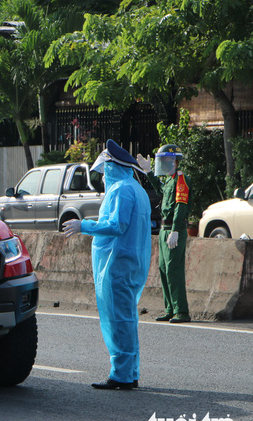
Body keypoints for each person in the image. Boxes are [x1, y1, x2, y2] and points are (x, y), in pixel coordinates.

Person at [63, 140, 152, 390]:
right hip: (130, 263)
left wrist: (84, 225)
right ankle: (130, 372)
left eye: (105, 170)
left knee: (118, 320)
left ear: (113, 167)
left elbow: (117, 225)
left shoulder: (122, 190)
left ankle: (121, 375)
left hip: (117, 264)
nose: (103, 177)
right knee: (127, 319)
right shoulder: (136, 188)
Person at [137, 145, 191, 323]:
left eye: (166, 161)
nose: (165, 164)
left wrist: (175, 229)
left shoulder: (181, 179)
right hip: (163, 229)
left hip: (174, 229)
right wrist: (148, 172)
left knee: (173, 270)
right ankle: (170, 308)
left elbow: (180, 206)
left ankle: (181, 311)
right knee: (164, 269)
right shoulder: (169, 180)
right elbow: (161, 192)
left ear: (175, 162)